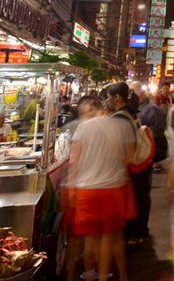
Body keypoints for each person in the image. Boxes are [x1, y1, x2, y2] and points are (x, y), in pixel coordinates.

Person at [66, 91, 136, 281]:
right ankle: (104, 276)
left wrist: (72, 188)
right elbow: (131, 158)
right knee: (108, 236)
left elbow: (74, 161)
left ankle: (89, 274)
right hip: (113, 187)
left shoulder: (82, 128)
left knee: (90, 235)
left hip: (86, 189)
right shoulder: (122, 126)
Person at [127, 82, 164, 245]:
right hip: (132, 158)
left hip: (144, 158)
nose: (130, 95)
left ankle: (141, 231)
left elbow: (158, 132)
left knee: (141, 195)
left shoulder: (152, 110)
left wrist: (142, 133)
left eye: (132, 91)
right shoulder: (130, 112)